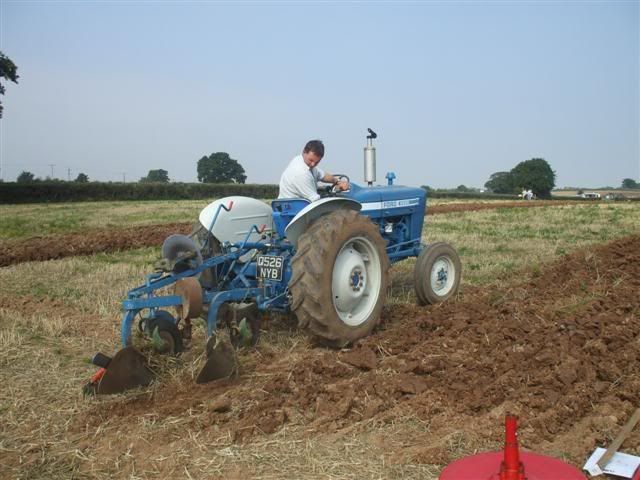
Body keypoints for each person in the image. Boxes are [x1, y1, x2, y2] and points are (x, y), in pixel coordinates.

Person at [278, 140, 349, 202]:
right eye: (311, 160)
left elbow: (323, 175)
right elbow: (316, 200)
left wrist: (337, 181)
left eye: (317, 162)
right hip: (296, 208)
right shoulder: (301, 173)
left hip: (298, 204)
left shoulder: (302, 161)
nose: (313, 164)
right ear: (304, 152)